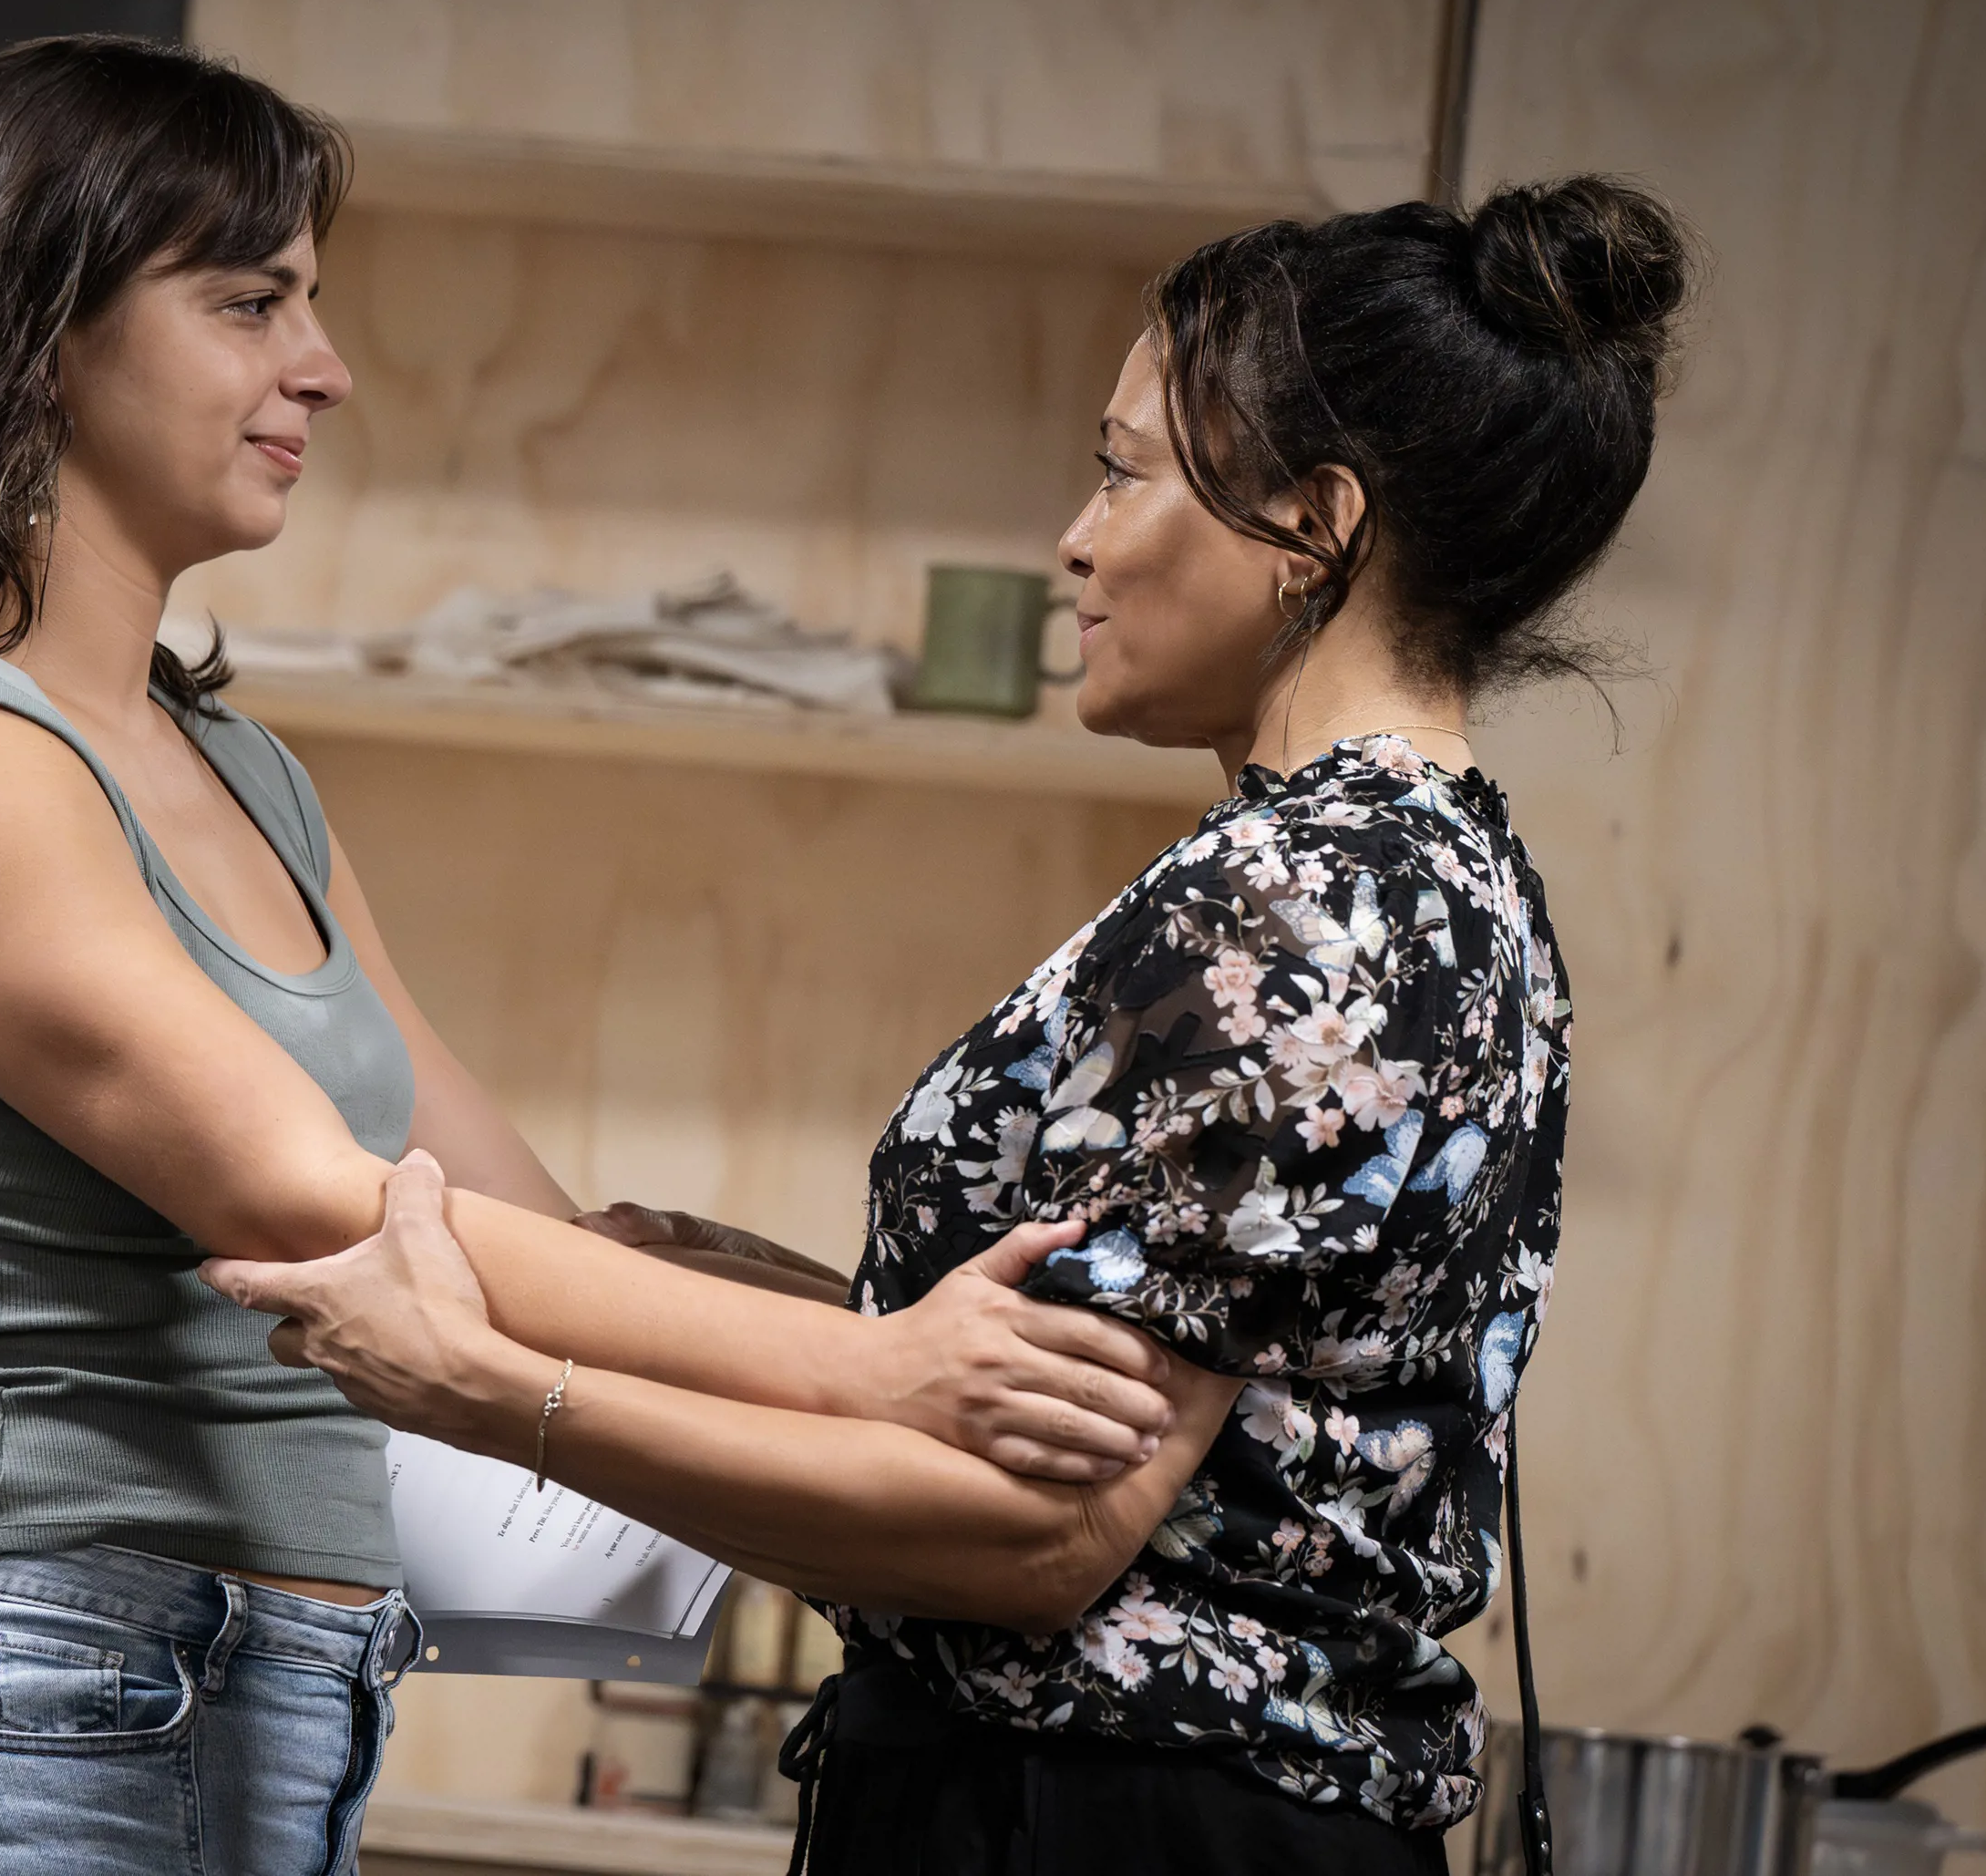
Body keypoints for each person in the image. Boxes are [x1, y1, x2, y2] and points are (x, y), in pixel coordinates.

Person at [0, 36, 1179, 1876]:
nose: (325, 366)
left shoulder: (241, 776)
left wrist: (952, 1340)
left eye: (310, 303)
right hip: (5, 1708)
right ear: (34, 330)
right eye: (249, 305)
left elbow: (517, 1215)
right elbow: (331, 1207)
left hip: (259, 1710)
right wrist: (880, 1381)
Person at [210, 178, 1695, 1875]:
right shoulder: (1432, 869)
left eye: (1126, 470)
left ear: (1315, 528)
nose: (1075, 534)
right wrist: (764, 1298)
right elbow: (1155, 1395)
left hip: (1109, 1824)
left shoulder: (1300, 910)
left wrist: (490, 1389)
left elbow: (1040, 1539)